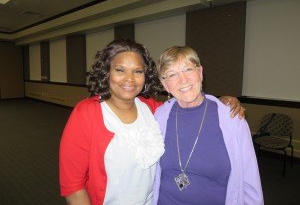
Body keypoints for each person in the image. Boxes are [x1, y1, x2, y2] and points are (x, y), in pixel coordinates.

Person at [59, 39, 245, 205]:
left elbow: (187, 105)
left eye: (137, 71)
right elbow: (73, 187)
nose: (129, 79)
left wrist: (223, 102)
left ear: (145, 75)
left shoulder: (153, 109)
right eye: (120, 70)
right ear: (107, 73)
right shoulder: (87, 113)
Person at [153, 46, 263, 205]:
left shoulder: (232, 119)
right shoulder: (159, 116)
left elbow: (250, 182)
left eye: (188, 69)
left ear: (200, 72)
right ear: (164, 84)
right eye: (172, 74)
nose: (183, 80)